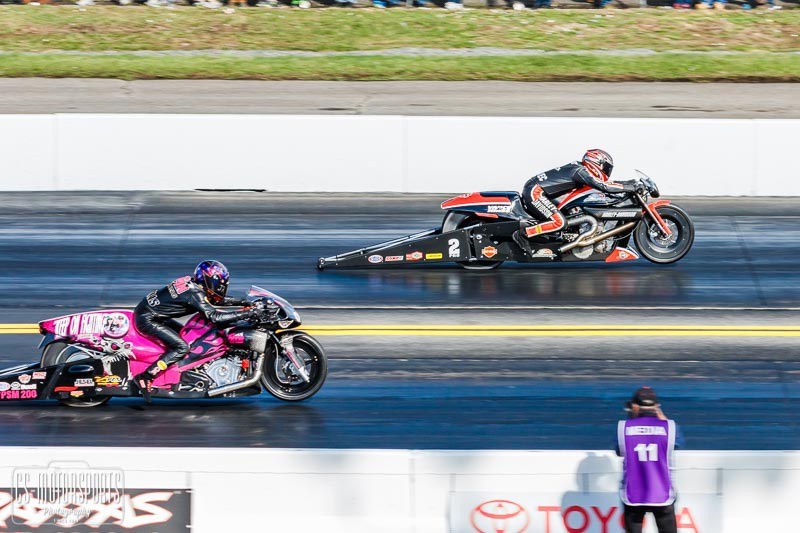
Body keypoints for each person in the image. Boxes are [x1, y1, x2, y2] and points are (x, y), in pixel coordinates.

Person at [132, 260, 261, 402]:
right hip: (148, 319)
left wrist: (244, 303)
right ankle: (146, 376)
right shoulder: (194, 293)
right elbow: (215, 317)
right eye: (221, 284)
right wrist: (247, 313)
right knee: (182, 347)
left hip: (152, 314)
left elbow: (216, 301)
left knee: (185, 339)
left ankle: (177, 373)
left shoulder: (195, 286)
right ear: (210, 280)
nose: (222, 287)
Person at [512, 149, 644, 254]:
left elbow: (606, 183)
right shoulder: (581, 171)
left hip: (539, 190)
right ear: (597, 162)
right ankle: (524, 233)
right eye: (606, 167)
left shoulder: (580, 169)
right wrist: (631, 187)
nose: (607, 171)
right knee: (559, 222)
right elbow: (604, 186)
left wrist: (629, 183)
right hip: (535, 192)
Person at [616, 386, 685, 533]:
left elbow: (619, 450)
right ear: (656, 406)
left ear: (635, 406)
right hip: (662, 493)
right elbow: (678, 443)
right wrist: (660, 415)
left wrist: (633, 419)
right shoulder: (670, 427)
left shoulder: (623, 428)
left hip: (633, 494)